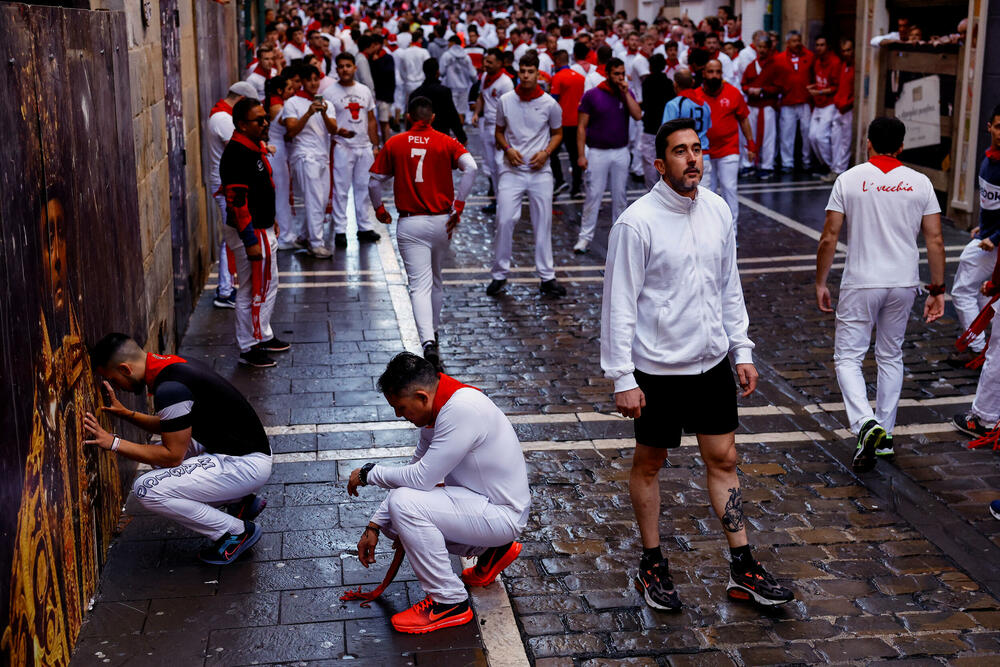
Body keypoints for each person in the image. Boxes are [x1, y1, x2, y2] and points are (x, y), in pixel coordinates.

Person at [601, 118, 795, 610]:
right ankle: (652, 565)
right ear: (660, 163)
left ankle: (743, 568)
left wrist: (742, 349)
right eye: (681, 151)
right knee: (650, 462)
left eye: (697, 149)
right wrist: (623, 376)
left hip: (711, 366)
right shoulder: (636, 222)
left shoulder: (716, 209)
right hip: (658, 370)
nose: (693, 159)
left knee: (724, 459)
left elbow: (728, 285)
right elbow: (618, 304)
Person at [348, 353, 529, 633]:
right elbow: (416, 474)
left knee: (405, 506)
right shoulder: (441, 407)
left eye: (401, 407)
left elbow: (420, 479)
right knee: (398, 515)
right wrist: (375, 523)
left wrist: (369, 473)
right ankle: (495, 549)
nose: (399, 415)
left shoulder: (460, 411)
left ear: (421, 397)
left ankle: (449, 602)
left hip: (502, 516)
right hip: (487, 506)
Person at [815, 117, 945, 471]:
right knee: (891, 355)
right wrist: (938, 288)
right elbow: (934, 239)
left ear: (868, 142)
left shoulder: (849, 179)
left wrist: (821, 281)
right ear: (901, 146)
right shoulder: (921, 183)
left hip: (862, 280)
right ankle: (884, 434)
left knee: (848, 358)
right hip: (903, 282)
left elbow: (830, 235)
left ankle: (864, 424)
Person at [84, 334, 272, 564]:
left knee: (147, 489)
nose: (116, 387)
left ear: (125, 369)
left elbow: (172, 457)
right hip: (239, 451)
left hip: (245, 464)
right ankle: (240, 500)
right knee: (155, 454)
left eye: (112, 379)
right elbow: (174, 426)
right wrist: (127, 415)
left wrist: (113, 443)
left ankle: (236, 532)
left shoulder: (170, 389)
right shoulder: (171, 366)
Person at [369, 97, 477, 371]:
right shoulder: (446, 141)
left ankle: (427, 341)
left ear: (407, 116)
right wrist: (459, 204)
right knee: (436, 278)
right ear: (432, 117)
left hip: (411, 222)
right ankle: (435, 331)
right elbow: (471, 168)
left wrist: (380, 209)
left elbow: (374, 182)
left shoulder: (395, 142)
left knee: (419, 284)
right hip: (442, 221)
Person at [216, 97, 288, 366]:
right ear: (242, 125)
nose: (265, 123)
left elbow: (261, 190)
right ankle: (249, 345)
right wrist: (250, 241)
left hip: (262, 227)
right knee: (251, 289)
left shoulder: (251, 147)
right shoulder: (237, 153)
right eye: (259, 120)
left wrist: (273, 220)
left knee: (267, 284)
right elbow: (237, 203)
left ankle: (263, 335)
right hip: (252, 232)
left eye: (265, 117)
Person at [488, 52, 565, 298]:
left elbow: (557, 133)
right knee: (504, 219)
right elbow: (498, 132)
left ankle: (547, 276)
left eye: (530, 71)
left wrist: (546, 153)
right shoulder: (506, 100)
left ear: (538, 74)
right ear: (518, 72)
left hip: (540, 171)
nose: (526, 76)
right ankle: (499, 274)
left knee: (543, 223)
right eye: (522, 71)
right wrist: (508, 149)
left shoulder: (550, 104)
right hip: (512, 169)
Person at [951, 105, 1000, 414]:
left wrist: (995, 237)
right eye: (999, 126)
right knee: (982, 293)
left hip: (993, 245)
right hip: (988, 237)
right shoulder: (988, 160)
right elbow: (991, 203)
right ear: (989, 127)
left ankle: (980, 346)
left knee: (962, 291)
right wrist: (985, 225)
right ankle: (984, 344)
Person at [575, 57, 642, 255]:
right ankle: (585, 237)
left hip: (621, 151)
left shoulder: (626, 94)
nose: (621, 77)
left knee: (620, 195)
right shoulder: (592, 95)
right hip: (597, 152)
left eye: (623, 73)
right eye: (617, 74)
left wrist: (625, 93)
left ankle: (620, 237)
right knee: (593, 195)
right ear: (608, 74)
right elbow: (581, 127)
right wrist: (581, 154)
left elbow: (638, 115)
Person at [207, 81, 257, 309]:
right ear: (240, 99)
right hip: (226, 185)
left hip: (226, 183)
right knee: (232, 237)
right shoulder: (223, 119)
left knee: (232, 236)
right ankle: (225, 291)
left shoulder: (222, 115)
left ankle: (226, 288)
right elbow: (239, 147)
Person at [281, 65, 339, 258]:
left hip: (322, 156)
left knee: (321, 201)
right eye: (309, 80)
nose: (313, 83)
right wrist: (308, 113)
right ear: (303, 82)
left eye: (316, 79)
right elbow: (291, 131)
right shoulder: (292, 103)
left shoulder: (328, 104)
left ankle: (306, 235)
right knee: (314, 200)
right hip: (304, 155)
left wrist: (322, 112)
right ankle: (316, 243)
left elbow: (333, 129)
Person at [326, 52, 382, 249]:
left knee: (363, 188)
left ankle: (364, 226)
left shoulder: (364, 90)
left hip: (364, 145)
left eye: (348, 66)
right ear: (337, 69)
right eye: (341, 66)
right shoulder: (329, 92)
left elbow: (372, 119)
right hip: (342, 146)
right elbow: (326, 122)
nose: (344, 70)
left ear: (354, 68)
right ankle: (340, 229)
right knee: (340, 190)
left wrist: (375, 145)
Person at [701, 59, 755, 231]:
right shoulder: (695, 95)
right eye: (710, 72)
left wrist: (750, 144)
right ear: (704, 73)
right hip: (705, 152)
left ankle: (732, 234)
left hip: (728, 150)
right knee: (706, 193)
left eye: (718, 72)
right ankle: (709, 232)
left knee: (729, 189)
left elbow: (744, 119)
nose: (714, 75)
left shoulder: (733, 93)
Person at [471, 48, 514, 214]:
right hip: (487, 125)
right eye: (485, 61)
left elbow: (510, 109)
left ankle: (506, 201)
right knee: (491, 166)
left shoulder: (505, 83)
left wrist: (502, 134)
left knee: (501, 165)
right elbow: (481, 97)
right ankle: (497, 200)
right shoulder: (485, 78)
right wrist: (476, 113)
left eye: (489, 62)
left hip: (500, 128)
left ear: (500, 63)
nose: (485, 65)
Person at [267, 76, 301, 252]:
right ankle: (284, 235)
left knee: (281, 194)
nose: (293, 90)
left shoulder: (278, 103)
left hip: (279, 152)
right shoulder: (279, 106)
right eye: (289, 88)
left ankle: (286, 233)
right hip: (277, 153)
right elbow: (290, 128)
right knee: (280, 195)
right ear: (280, 91)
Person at [740, 32, 782, 178]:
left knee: (768, 137)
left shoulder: (775, 66)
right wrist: (749, 90)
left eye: (765, 47)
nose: (762, 50)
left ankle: (767, 165)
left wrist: (762, 91)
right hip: (752, 106)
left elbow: (778, 87)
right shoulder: (751, 65)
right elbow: (743, 83)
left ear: (769, 48)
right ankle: (749, 164)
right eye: (760, 47)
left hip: (767, 106)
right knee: (750, 135)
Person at [775, 31, 814, 173]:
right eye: (793, 41)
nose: (797, 43)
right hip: (787, 101)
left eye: (798, 40)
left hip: (805, 100)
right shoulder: (779, 59)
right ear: (787, 43)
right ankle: (787, 162)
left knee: (807, 131)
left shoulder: (809, 56)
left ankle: (806, 160)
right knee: (787, 133)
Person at [549, 49, 586, 196]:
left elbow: (553, 101)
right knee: (575, 155)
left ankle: (560, 180)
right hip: (577, 122)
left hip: (561, 123)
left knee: (552, 153)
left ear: (558, 61)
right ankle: (576, 187)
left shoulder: (558, 77)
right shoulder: (580, 77)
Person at [409, 58, 468, 144]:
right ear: (437, 72)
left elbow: (410, 119)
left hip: (420, 138)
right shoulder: (444, 91)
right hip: (440, 136)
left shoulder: (415, 93)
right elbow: (452, 116)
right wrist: (461, 137)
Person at [640, 54, 677, 190]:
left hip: (650, 126)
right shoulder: (668, 82)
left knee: (649, 161)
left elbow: (645, 103)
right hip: (665, 127)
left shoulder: (647, 82)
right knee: (666, 160)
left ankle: (652, 189)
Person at [808, 36, 841, 177]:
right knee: (812, 136)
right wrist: (814, 87)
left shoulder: (835, 62)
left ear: (827, 46)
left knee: (821, 136)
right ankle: (824, 164)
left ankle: (830, 165)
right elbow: (821, 82)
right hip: (818, 103)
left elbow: (835, 86)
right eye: (817, 45)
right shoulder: (817, 62)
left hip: (829, 104)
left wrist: (819, 91)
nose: (819, 48)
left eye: (822, 45)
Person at [661, 69, 711, 153]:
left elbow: (666, 133)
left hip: (684, 156)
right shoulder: (705, 105)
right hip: (704, 155)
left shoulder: (674, 104)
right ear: (693, 82)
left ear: (675, 84)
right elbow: (708, 128)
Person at [830, 39, 855, 178]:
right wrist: (837, 101)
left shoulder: (855, 68)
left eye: (848, 50)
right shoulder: (843, 65)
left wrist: (848, 103)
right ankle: (834, 167)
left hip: (847, 108)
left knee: (845, 142)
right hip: (839, 107)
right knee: (835, 139)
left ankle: (840, 170)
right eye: (844, 51)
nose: (846, 53)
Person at [439, 35, 477, 123]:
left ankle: (452, 135)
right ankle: (460, 133)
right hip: (464, 88)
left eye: (449, 43)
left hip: (451, 87)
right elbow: (473, 74)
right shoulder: (466, 57)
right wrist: (475, 82)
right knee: (461, 111)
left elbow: (441, 72)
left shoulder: (446, 56)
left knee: (452, 111)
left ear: (453, 43)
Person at [369, 34, 397, 146]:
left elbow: (388, 74)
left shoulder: (387, 58)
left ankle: (387, 145)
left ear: (379, 45)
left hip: (384, 94)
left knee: (384, 121)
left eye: (375, 45)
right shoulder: (370, 58)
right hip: (375, 93)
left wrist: (377, 62)